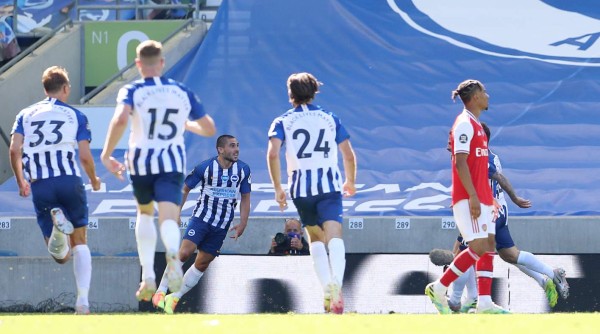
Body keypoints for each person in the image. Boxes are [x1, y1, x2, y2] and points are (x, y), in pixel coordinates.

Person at [100, 40, 216, 302]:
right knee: (168, 216)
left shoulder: (133, 89)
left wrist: (107, 154)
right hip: (171, 161)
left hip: (141, 160)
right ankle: (173, 259)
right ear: (162, 63)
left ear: (138, 64)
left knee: (144, 213)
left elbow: (120, 119)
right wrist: (186, 125)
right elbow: (209, 128)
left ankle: (149, 277)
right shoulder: (180, 91)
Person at [447, 123, 569, 312]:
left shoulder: (480, 156)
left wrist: (515, 198)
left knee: (461, 253)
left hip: (487, 211)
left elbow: (498, 178)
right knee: (510, 255)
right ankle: (549, 275)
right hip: (496, 210)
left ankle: (459, 300)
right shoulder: (489, 155)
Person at [9, 66, 101, 315]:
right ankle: (83, 302)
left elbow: (15, 150)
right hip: (69, 181)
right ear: (66, 88)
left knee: (61, 256)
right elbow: (84, 154)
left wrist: (21, 182)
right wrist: (93, 179)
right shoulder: (76, 115)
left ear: (44, 89)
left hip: (41, 185)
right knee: (80, 242)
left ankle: (59, 233)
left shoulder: (25, 114)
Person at [267, 72, 357, 314]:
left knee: (315, 238)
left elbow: (273, 154)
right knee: (335, 234)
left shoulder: (282, 121)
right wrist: (350, 180)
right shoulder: (330, 118)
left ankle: (326, 287)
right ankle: (336, 283)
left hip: (301, 189)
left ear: (291, 95)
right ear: (315, 90)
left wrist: (278, 188)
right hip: (329, 186)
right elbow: (348, 154)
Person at [425, 79, 509, 314]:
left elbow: (478, 167)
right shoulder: (463, 124)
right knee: (479, 247)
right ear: (474, 97)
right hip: (467, 197)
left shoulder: (477, 125)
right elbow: (460, 163)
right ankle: (440, 287)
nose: (488, 96)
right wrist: (473, 195)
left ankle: (483, 302)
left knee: (488, 244)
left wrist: (487, 196)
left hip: (481, 197)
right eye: (484, 92)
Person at [151, 134, 251, 314]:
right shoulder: (205, 168)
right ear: (220, 149)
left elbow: (245, 197)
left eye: (237, 145)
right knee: (184, 252)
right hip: (201, 219)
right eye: (231, 146)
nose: (236, 149)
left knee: (203, 263)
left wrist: (243, 222)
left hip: (222, 225)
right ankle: (160, 291)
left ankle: (174, 297)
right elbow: (185, 188)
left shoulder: (243, 170)